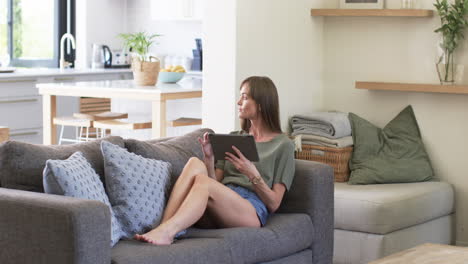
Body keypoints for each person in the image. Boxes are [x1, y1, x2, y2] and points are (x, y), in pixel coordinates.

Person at [134, 76, 296, 245]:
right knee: (195, 163)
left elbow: (274, 203)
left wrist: (252, 174)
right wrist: (209, 159)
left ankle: (168, 231)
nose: (239, 102)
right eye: (240, 96)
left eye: (245, 97)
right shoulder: (235, 138)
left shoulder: (283, 145)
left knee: (203, 182)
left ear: (262, 104)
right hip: (221, 204)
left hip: (251, 208)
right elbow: (214, 183)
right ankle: (163, 227)